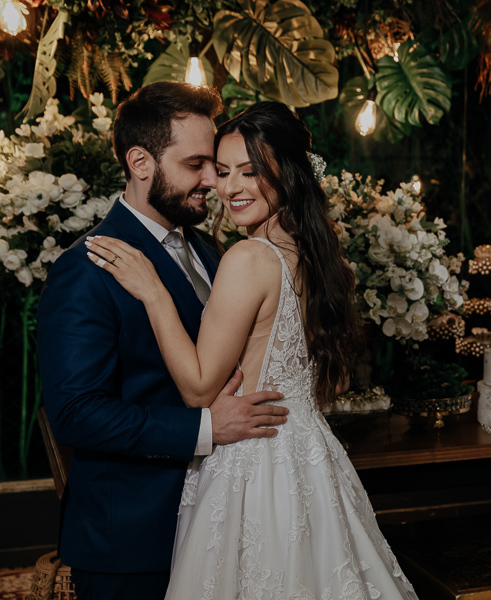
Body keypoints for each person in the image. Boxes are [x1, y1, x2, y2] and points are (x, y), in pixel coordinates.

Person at [85, 102, 419, 599]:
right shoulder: (315, 255)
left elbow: (199, 389)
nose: (230, 187)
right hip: (308, 457)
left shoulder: (247, 257)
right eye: (222, 172)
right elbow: (332, 378)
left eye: (251, 171)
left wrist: (154, 292)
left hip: (255, 463)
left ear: (287, 173)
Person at [37, 83, 289, 600]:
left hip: (221, 519)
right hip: (133, 537)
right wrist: (206, 427)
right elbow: (77, 414)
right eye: (196, 164)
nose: (212, 181)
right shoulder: (87, 269)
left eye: (215, 165)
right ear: (140, 162)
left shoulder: (212, 251)